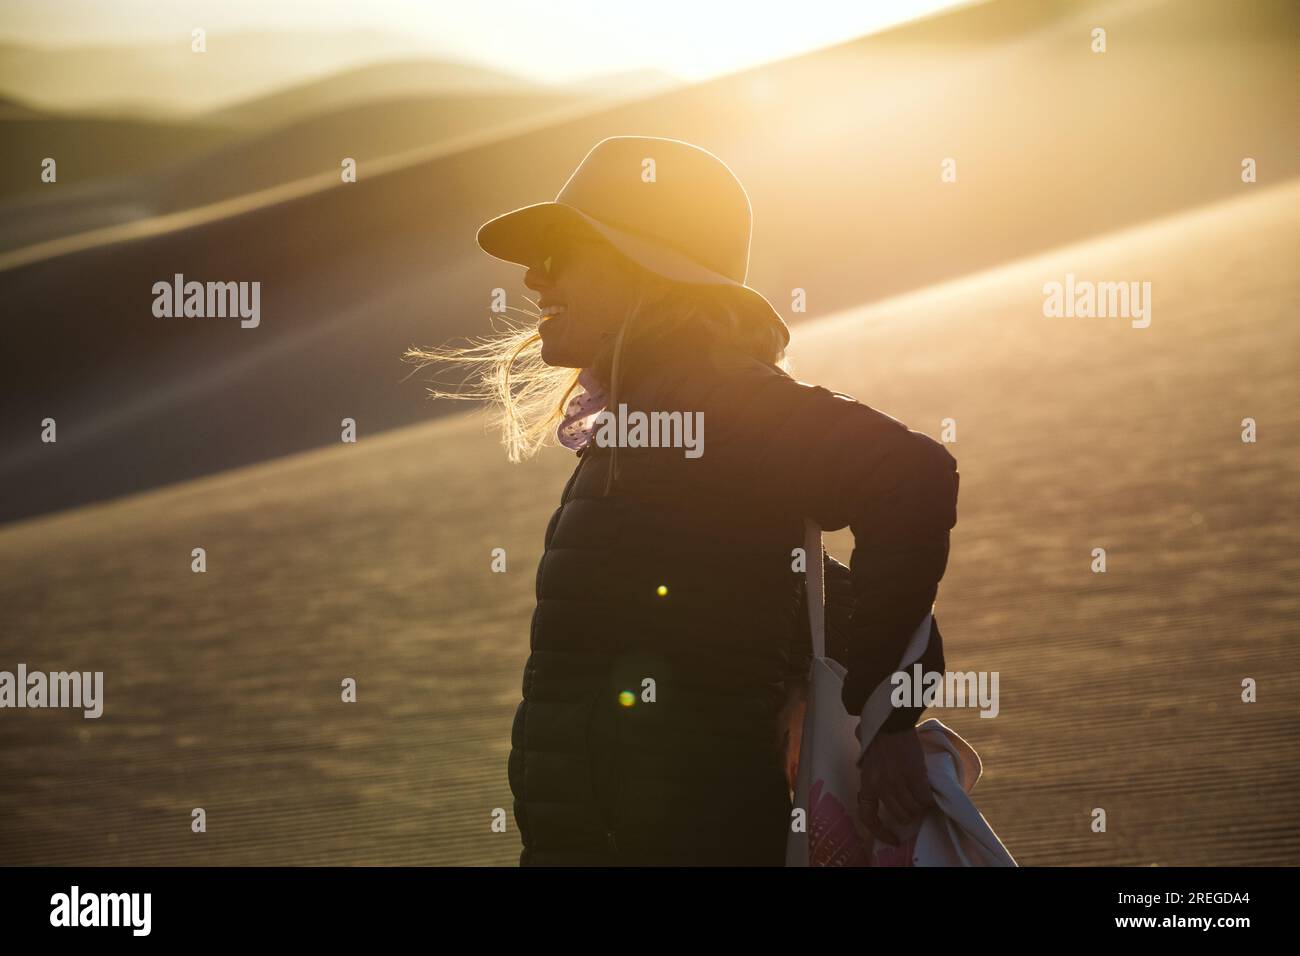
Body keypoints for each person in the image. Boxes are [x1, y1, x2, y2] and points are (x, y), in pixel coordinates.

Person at [410, 136, 957, 865]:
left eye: (561, 251)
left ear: (647, 270)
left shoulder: (711, 397)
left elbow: (910, 475)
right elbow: (781, 588)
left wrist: (886, 714)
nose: (534, 278)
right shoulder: (655, 418)